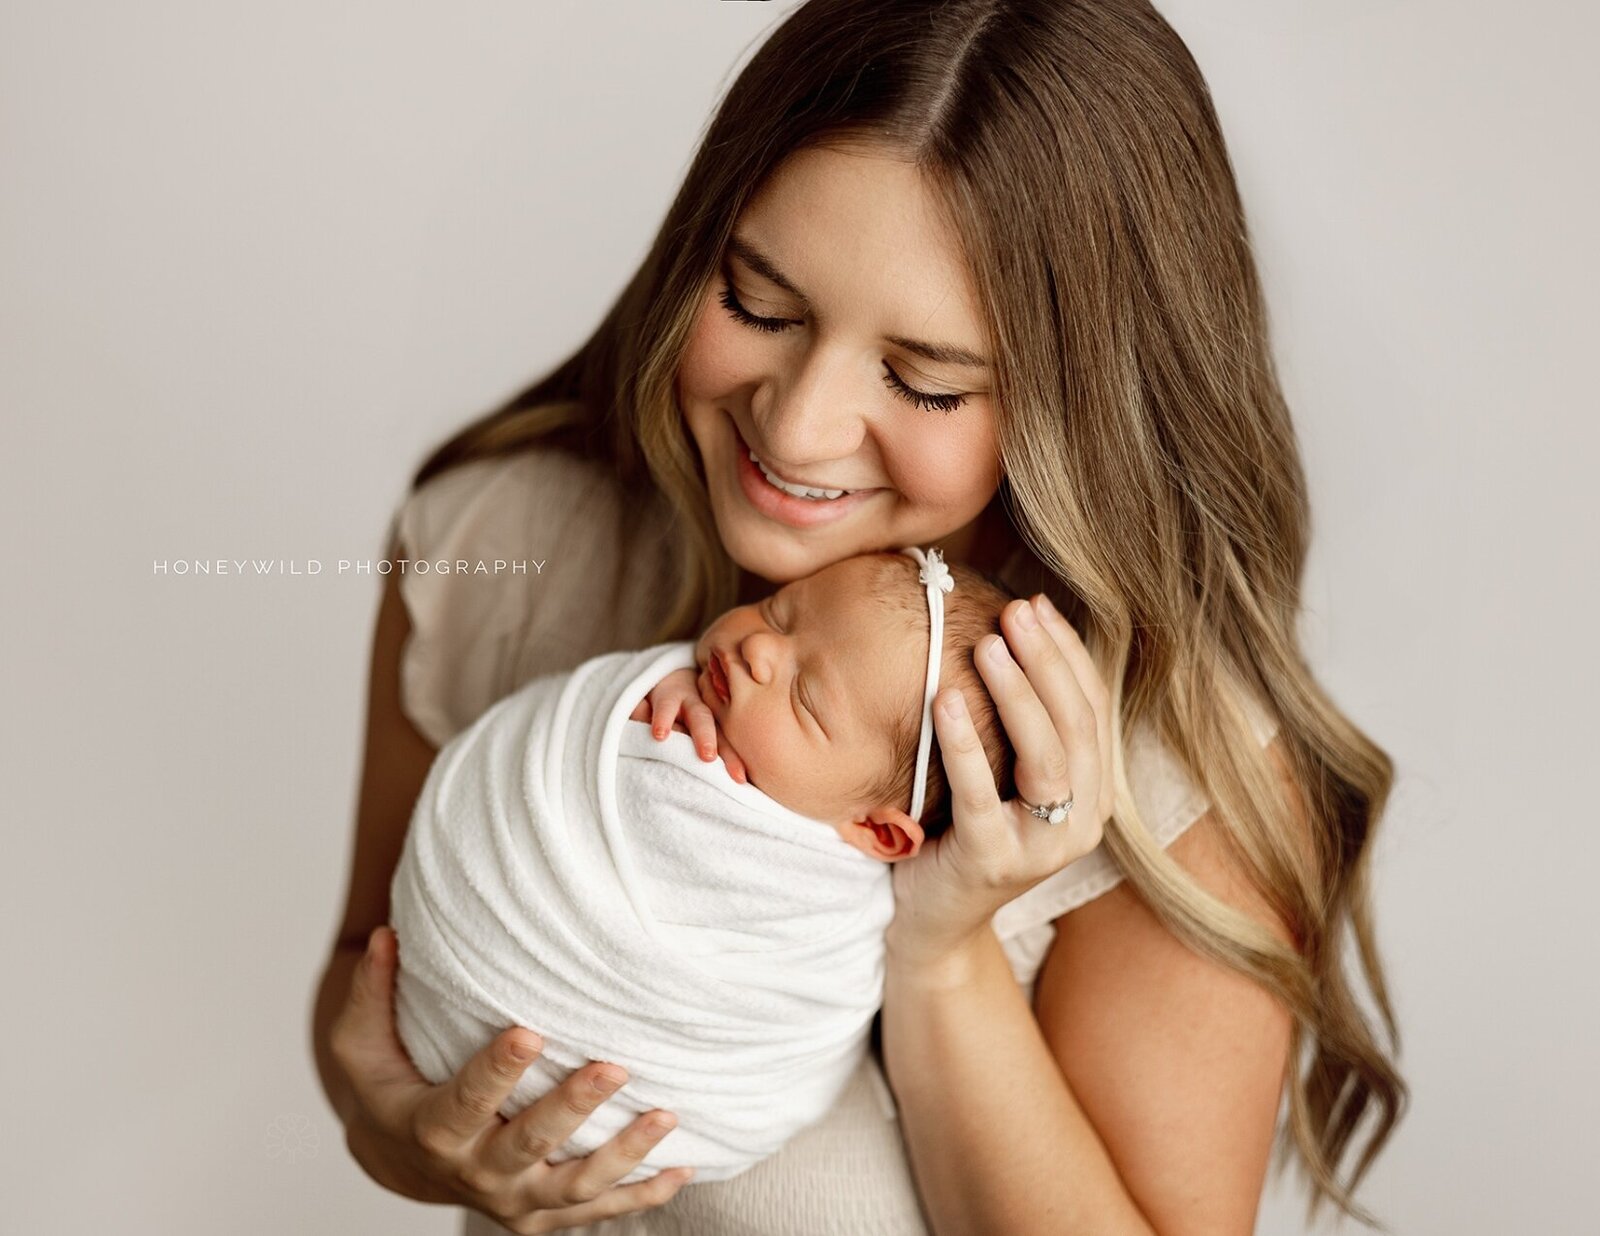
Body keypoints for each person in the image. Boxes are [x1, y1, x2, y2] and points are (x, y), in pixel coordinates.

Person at [313, 1, 1406, 1233]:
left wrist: (942, 951)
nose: (795, 426)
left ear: (1081, 404)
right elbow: (368, 986)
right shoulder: (502, 551)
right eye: (759, 306)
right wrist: (408, 1138)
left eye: (923, 379)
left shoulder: (1176, 766)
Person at [389, 551, 1017, 1187]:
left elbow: (794, 1020)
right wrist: (636, 703)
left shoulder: (825, 911)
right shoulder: (665, 699)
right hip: (456, 988)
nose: (761, 650)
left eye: (805, 697)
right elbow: (567, 733)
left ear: (877, 831)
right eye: (781, 609)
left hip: (646, 1107)